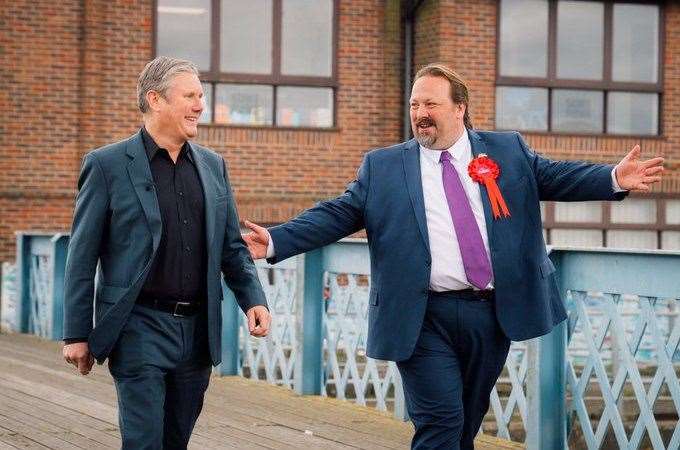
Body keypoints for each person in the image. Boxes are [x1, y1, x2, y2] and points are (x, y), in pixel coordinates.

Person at [242, 63, 664, 449]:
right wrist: (278, 240)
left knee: (465, 425)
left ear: (459, 108)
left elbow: (556, 176)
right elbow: (339, 213)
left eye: (431, 103)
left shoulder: (506, 151)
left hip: (491, 314)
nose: (420, 112)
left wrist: (612, 177)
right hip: (421, 317)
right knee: (441, 422)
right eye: (414, 104)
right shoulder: (383, 166)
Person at [62, 56, 271, 449]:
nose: (200, 105)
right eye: (190, 96)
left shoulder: (213, 166)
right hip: (139, 326)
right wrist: (76, 334)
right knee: (144, 442)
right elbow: (81, 255)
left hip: (197, 332)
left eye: (201, 96)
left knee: (176, 441)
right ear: (155, 100)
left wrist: (253, 300)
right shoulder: (106, 165)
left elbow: (231, 247)